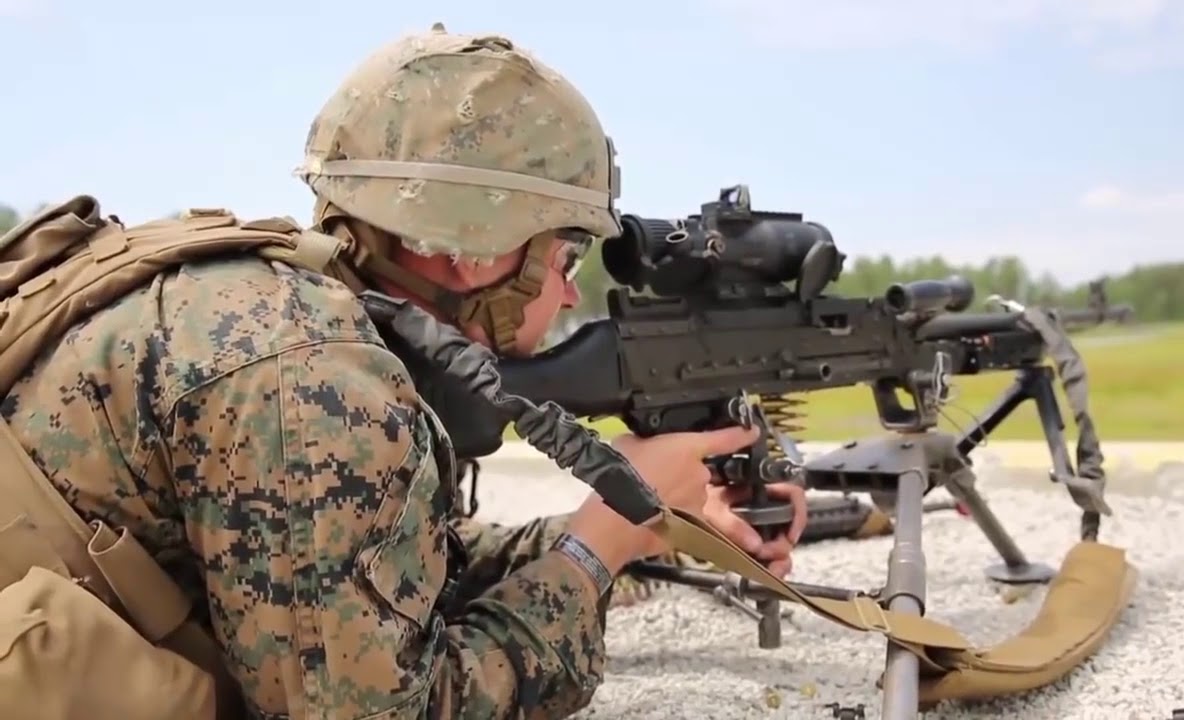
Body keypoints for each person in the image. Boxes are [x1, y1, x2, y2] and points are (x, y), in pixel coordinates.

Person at [0, 24, 808, 719]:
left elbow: (367, 571)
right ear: (465, 251)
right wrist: (596, 547)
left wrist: (641, 528)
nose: (569, 289)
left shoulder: (273, 308)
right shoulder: (314, 378)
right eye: (564, 254)